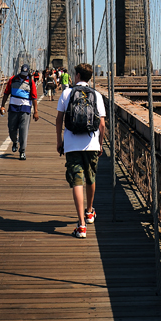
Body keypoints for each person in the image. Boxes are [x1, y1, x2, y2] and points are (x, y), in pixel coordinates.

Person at [56, 63, 105, 239]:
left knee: (77, 181)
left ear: (77, 76)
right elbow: (102, 124)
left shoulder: (67, 93)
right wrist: (100, 144)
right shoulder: (96, 95)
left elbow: (59, 120)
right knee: (91, 177)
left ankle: (81, 225)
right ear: (89, 77)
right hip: (91, 143)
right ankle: (90, 212)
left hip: (71, 144)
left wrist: (59, 141)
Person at [0, 64, 38, 160]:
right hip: (13, 108)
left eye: (25, 74)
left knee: (23, 131)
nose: (24, 75)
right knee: (11, 129)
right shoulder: (13, 79)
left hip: (25, 109)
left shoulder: (30, 82)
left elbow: (34, 97)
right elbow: (6, 93)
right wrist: (2, 106)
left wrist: (36, 111)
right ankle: (15, 141)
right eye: (22, 73)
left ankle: (22, 151)